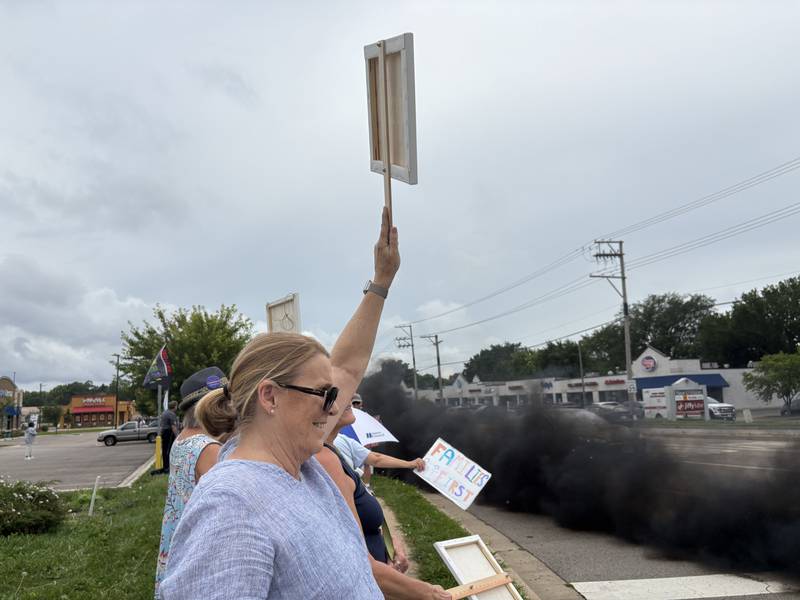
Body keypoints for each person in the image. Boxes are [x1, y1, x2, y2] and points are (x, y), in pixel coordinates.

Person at [160, 208, 402, 599]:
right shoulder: (231, 506)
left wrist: (381, 282)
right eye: (325, 396)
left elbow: (345, 366)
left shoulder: (300, 468)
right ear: (270, 396)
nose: (335, 408)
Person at [318, 402, 449, 599]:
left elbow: (375, 464)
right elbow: (359, 557)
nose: (346, 402)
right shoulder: (325, 462)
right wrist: (427, 592)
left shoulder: (340, 445)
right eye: (331, 393)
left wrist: (390, 541)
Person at [154, 367, 233, 598]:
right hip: (202, 552)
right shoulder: (210, 450)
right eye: (225, 402)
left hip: (178, 543)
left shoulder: (183, 439)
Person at [158, 401, 179, 473]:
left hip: (164, 432)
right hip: (169, 433)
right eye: (176, 406)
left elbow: (161, 425)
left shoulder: (164, 413)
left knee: (165, 449)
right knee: (169, 450)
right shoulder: (171, 414)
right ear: (174, 406)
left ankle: (165, 466)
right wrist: (177, 436)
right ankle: (167, 468)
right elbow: (173, 426)